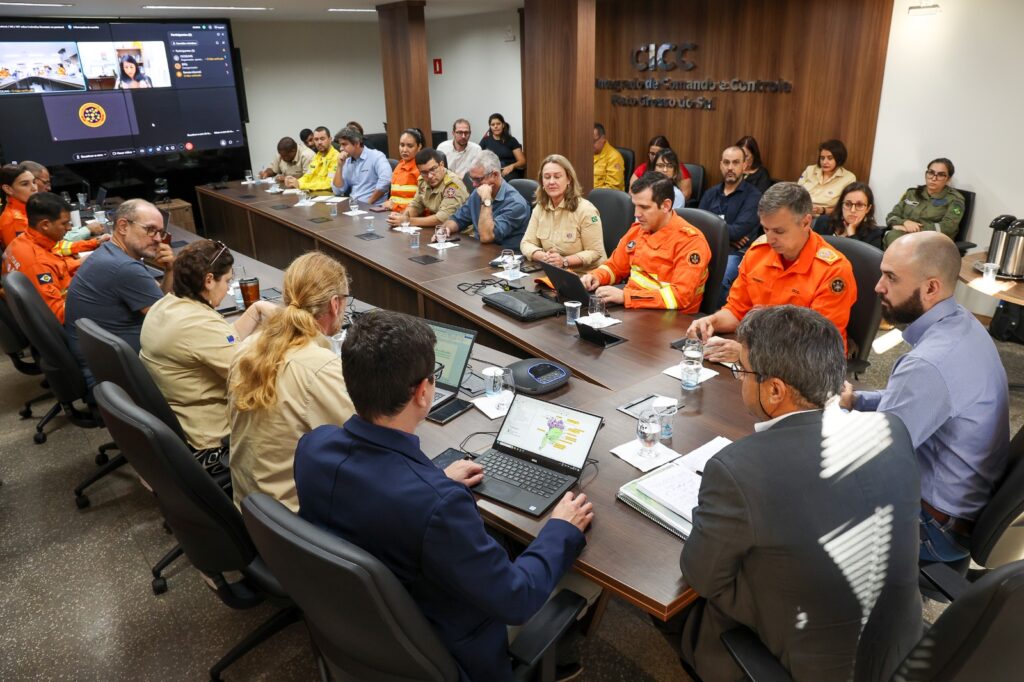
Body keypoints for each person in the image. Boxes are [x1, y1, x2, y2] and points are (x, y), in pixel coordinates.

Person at [294, 309, 594, 682]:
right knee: (585, 578)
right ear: (423, 392)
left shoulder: (313, 447)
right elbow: (516, 599)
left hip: (359, 632)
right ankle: (560, 657)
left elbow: (376, 496)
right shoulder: (437, 506)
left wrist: (435, 480)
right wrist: (561, 529)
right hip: (447, 651)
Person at [679, 305, 922, 681]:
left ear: (775, 390)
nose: (739, 379)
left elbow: (702, 577)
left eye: (741, 370)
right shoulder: (891, 428)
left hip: (808, 665)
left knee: (689, 609)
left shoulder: (738, 469)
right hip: (896, 652)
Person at [840, 232, 1009, 564]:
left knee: (798, 505)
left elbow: (874, 461)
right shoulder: (960, 325)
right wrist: (858, 401)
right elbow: (921, 401)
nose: (878, 286)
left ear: (931, 288)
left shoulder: (928, 364)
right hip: (959, 509)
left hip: (933, 528)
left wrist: (806, 425)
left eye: (891, 277)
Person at [227, 252, 354, 512]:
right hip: (293, 517)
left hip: (252, 508)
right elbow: (365, 440)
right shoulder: (320, 368)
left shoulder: (248, 346)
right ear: (334, 304)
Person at [688, 182, 857, 361]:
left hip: (809, 366)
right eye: (765, 229)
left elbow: (817, 345)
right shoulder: (758, 253)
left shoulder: (833, 271)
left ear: (806, 222)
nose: (770, 239)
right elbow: (737, 311)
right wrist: (711, 322)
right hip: (760, 352)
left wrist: (748, 355)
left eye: (779, 231)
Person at [140, 240, 274, 453]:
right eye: (228, 281)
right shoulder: (197, 325)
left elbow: (221, 342)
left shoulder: (166, 304)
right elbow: (252, 379)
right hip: (213, 438)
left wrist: (255, 309)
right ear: (209, 280)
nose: (228, 288)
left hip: (180, 421)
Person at [64, 199, 175, 384]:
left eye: (161, 232)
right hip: (119, 377)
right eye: (150, 230)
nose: (157, 239)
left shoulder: (111, 253)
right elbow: (167, 320)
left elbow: (158, 304)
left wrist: (169, 270)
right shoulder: (123, 268)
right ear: (123, 226)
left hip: (105, 367)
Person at [581, 173, 710, 311]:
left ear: (666, 205)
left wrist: (626, 296)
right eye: (635, 206)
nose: (636, 213)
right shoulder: (638, 230)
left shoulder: (690, 242)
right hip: (634, 309)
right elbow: (615, 266)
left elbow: (680, 297)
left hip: (671, 319)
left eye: (644, 207)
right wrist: (596, 277)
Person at [1, 192, 100, 322]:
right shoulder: (37, 263)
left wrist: (82, 260)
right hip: (72, 323)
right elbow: (59, 315)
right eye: (64, 223)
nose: (69, 228)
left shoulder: (22, 240)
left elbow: (55, 264)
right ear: (45, 225)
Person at [520, 154, 607, 274]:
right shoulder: (540, 207)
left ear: (568, 179)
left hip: (585, 277)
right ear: (542, 182)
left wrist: (564, 261)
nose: (551, 182)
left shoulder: (586, 210)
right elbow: (526, 243)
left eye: (557, 176)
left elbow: (595, 252)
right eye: (547, 177)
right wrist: (543, 256)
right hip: (554, 274)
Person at [699, 145, 762, 300]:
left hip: (735, 254)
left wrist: (724, 234)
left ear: (744, 166)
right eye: (726, 163)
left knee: (721, 278)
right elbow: (697, 226)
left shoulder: (754, 196)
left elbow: (739, 231)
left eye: (735, 163)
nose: (730, 167)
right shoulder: (710, 193)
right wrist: (731, 238)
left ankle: (714, 320)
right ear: (721, 165)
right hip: (707, 248)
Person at [437, 150, 531, 250]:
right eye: (472, 179)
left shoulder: (516, 204)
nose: (474, 184)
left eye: (478, 179)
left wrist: (486, 200)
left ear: (495, 175)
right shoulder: (478, 192)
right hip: (480, 252)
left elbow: (487, 237)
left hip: (505, 257)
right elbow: (458, 219)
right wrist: (445, 229)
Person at [883, 158, 965, 248]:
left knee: (899, 243)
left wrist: (913, 229)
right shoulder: (911, 193)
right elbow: (891, 217)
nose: (934, 178)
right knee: (892, 237)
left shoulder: (955, 200)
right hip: (902, 237)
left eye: (941, 175)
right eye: (931, 173)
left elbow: (948, 228)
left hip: (932, 242)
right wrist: (905, 222)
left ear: (948, 179)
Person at [386, 148, 468, 229]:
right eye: (424, 172)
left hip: (463, 234)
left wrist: (407, 221)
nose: (430, 176)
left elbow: (442, 219)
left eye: (433, 169)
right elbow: (416, 205)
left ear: (442, 165)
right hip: (439, 230)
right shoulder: (423, 180)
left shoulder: (452, 185)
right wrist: (402, 217)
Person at [813, 182, 886, 250]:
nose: (853, 210)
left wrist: (852, 235)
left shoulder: (874, 234)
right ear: (841, 205)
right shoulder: (823, 221)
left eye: (859, 205)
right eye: (848, 204)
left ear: (868, 209)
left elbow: (864, 262)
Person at [330, 125, 393, 206]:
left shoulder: (376, 156)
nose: (341, 148)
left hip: (373, 207)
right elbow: (338, 191)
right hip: (353, 206)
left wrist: (368, 203)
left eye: (344, 144)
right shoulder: (346, 161)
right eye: (340, 145)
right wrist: (339, 166)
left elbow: (385, 181)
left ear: (356, 143)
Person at [797, 139, 856, 216]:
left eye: (830, 158)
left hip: (822, 218)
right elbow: (796, 192)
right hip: (799, 212)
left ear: (839, 159)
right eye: (822, 158)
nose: (824, 162)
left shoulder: (849, 178)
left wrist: (823, 210)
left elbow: (845, 207)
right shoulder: (810, 170)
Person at [629, 135, 692, 199]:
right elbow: (631, 192)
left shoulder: (679, 169)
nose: (655, 157)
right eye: (652, 154)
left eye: (659, 153)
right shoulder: (642, 168)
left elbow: (685, 196)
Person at [381, 128, 423, 211]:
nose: (404, 150)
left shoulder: (421, 169)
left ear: (419, 147)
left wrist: (394, 206)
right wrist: (387, 203)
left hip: (410, 218)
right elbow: (396, 197)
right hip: (392, 214)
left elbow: (423, 205)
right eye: (402, 145)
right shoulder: (399, 165)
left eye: (410, 146)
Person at [285, 126, 338, 192]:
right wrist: (294, 182)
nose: (319, 142)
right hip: (312, 194)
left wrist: (300, 185)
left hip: (327, 196)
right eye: (316, 139)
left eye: (322, 139)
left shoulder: (336, 157)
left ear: (330, 139)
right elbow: (308, 176)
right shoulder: (317, 156)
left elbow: (329, 184)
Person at [480, 113, 526, 180]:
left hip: (508, 171)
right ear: (490, 127)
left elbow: (522, 161)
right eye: (493, 125)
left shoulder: (512, 140)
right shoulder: (485, 140)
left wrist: (512, 166)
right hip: (491, 171)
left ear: (503, 125)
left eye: (498, 124)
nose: (496, 126)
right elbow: (478, 157)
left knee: (499, 181)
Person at [1, 162, 36, 249]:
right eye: (25, 184)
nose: (34, 188)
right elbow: (23, 258)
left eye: (34, 182)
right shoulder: (13, 221)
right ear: (8, 189)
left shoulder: (29, 209)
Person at [592, 122, 625, 191]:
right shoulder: (586, 153)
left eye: (593, 141)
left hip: (604, 198)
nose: (590, 144)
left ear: (603, 138)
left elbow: (613, 188)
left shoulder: (614, 157)